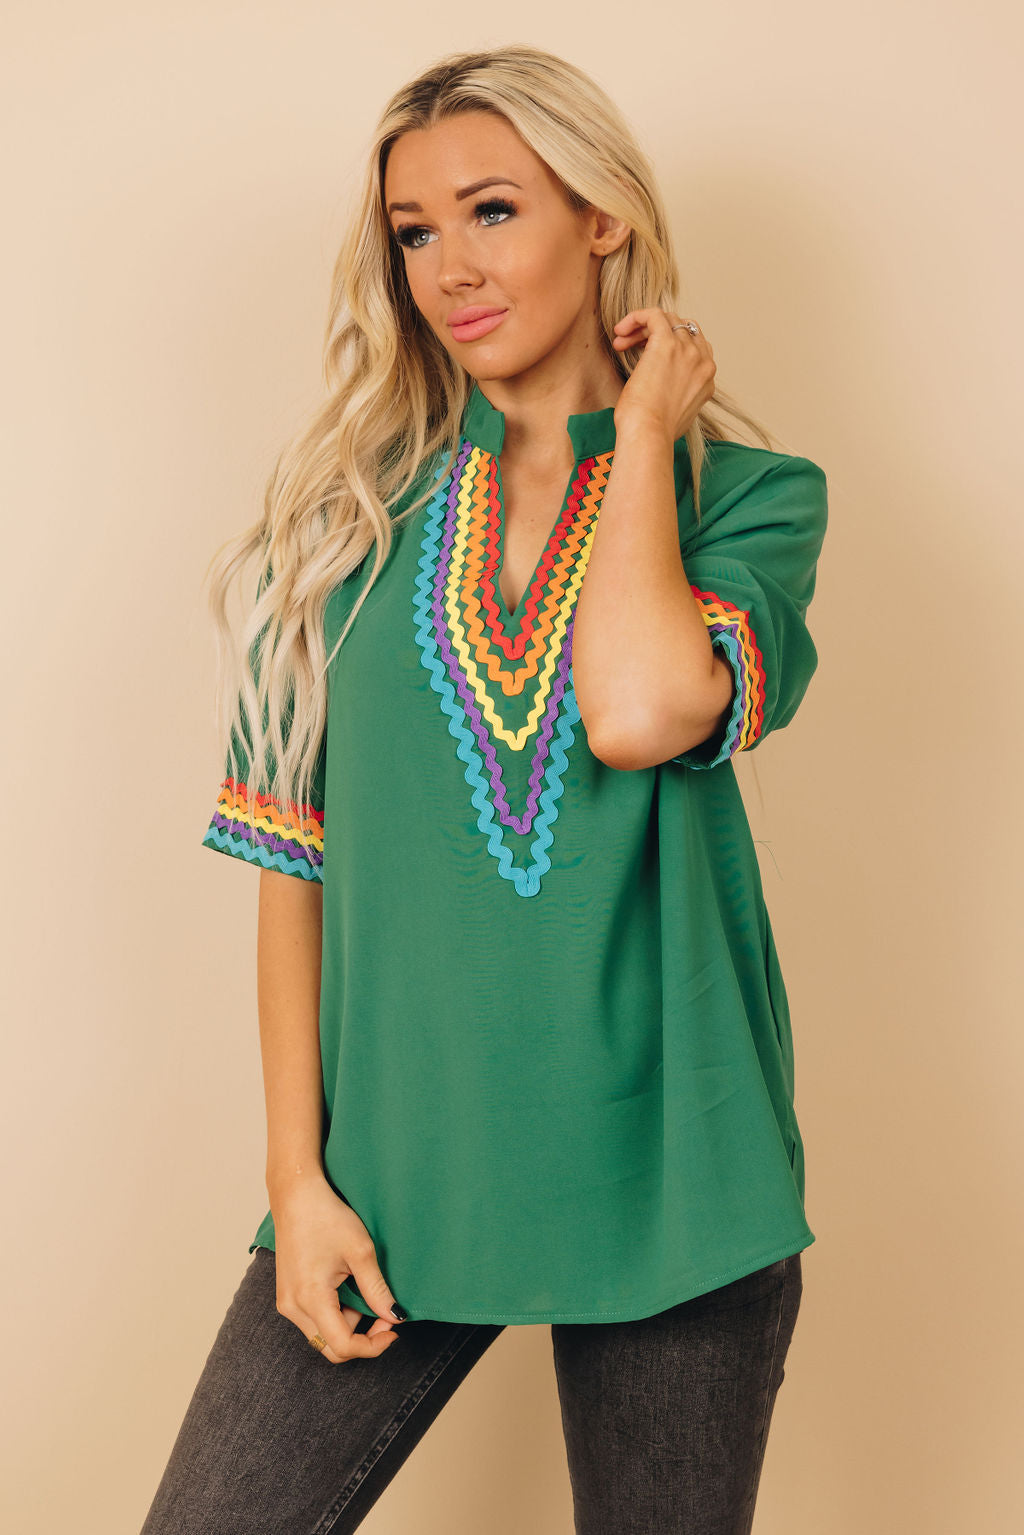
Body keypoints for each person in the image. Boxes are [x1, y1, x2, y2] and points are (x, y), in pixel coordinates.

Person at [141, 42, 827, 1535]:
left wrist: (641, 435)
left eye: (494, 210)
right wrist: (298, 1182)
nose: (449, 266)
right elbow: (293, 866)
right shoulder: (342, 528)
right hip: (394, 1178)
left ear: (601, 215)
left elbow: (639, 711)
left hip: (676, 1179)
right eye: (414, 231)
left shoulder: (748, 500)